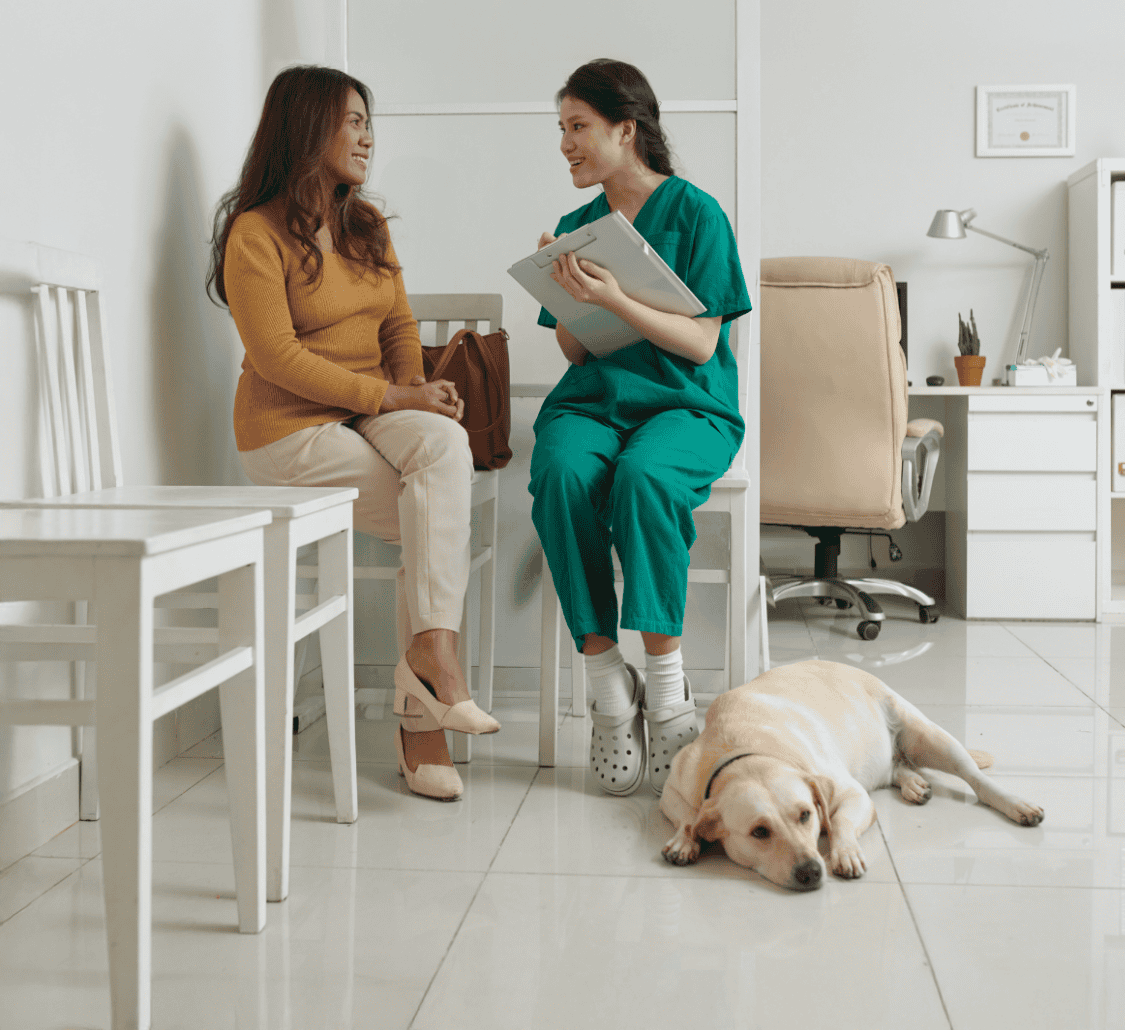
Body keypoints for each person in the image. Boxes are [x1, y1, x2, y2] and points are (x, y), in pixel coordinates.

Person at [207, 64, 499, 803]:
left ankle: (430, 658)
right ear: (307, 128)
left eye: (371, 121)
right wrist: (390, 392)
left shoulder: (364, 225)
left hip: (367, 415)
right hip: (287, 432)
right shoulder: (256, 233)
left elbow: (398, 323)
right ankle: (424, 714)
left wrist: (415, 401)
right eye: (354, 121)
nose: (369, 136)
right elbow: (278, 357)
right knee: (427, 507)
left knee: (443, 450)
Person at [529, 59, 751, 797]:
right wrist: (568, 299)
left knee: (645, 477)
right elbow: (572, 349)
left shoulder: (697, 214)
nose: (566, 144)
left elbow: (697, 344)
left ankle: (668, 692)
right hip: (595, 401)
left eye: (579, 127)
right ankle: (606, 687)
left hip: (687, 403)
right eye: (561, 129)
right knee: (560, 470)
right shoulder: (575, 229)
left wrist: (619, 298)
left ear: (626, 130)